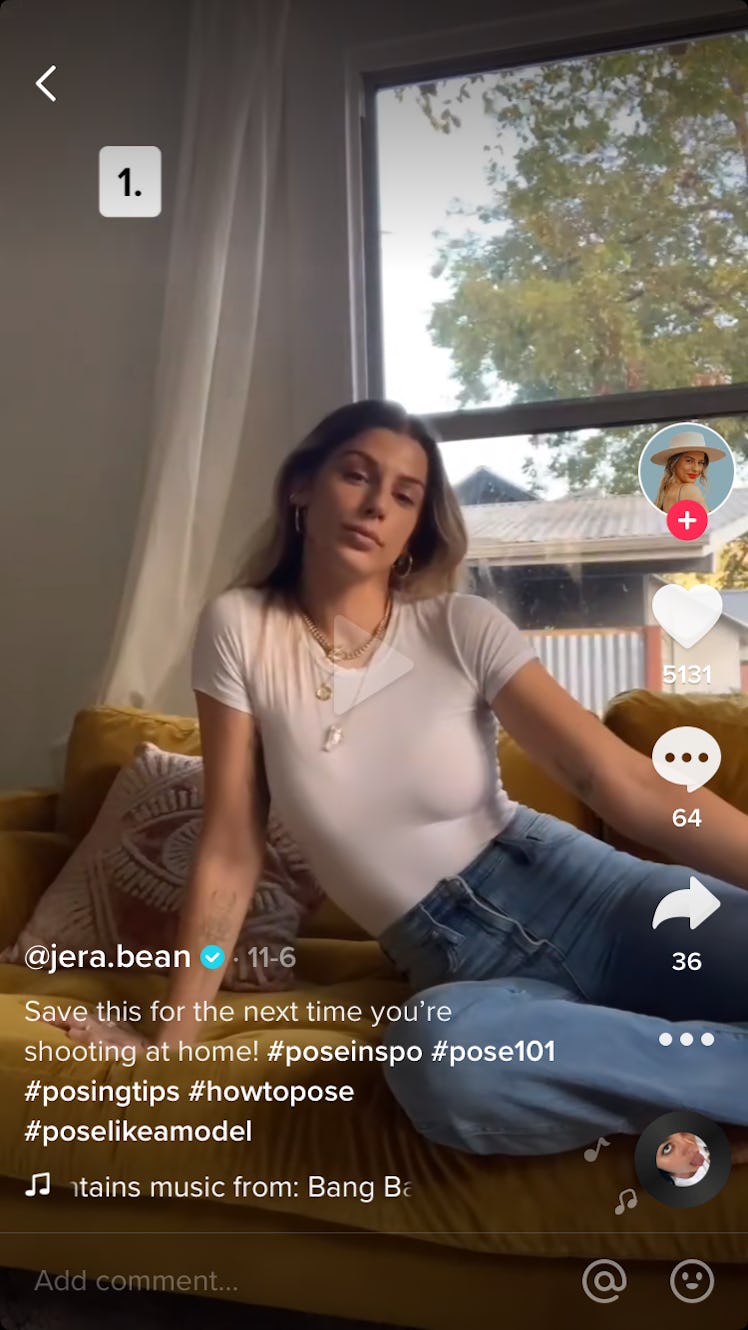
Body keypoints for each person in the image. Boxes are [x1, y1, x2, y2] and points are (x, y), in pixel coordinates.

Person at [48, 399, 748, 1163]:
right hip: (463, 970)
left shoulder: (461, 626)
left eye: (406, 494)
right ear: (302, 489)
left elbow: (616, 778)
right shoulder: (240, 630)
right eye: (356, 475)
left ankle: (693, 1088)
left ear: (417, 526)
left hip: (599, 900)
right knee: (436, 1061)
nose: (378, 502)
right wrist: (172, 1037)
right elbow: (230, 846)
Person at [650, 429, 727, 513]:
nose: (696, 469)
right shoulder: (689, 489)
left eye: (700, 462)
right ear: (674, 462)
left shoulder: (666, 493)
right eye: (689, 461)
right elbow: (710, 524)